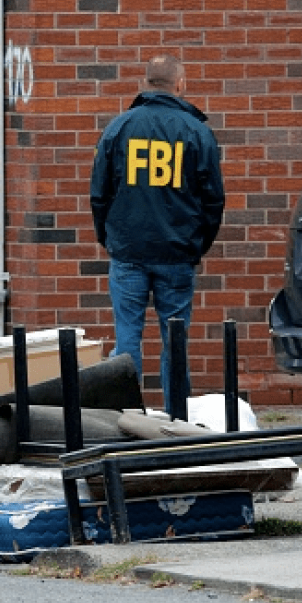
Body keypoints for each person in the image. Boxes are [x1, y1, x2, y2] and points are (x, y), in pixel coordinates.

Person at [90, 55, 225, 413]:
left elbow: (99, 193)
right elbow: (213, 200)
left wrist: (110, 239)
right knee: (175, 341)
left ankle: (127, 417)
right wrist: (197, 244)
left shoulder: (119, 128)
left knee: (127, 341)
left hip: (128, 252)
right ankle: (176, 420)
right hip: (177, 253)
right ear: (179, 85)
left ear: (147, 83)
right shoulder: (197, 132)